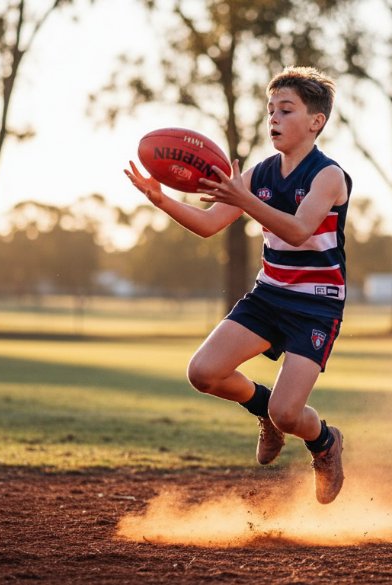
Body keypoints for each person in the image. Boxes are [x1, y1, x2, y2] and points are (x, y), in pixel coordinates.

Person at [124, 66, 352, 504]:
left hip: (316, 305)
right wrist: (161, 198)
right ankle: (260, 409)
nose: (274, 118)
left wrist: (243, 198)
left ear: (315, 122)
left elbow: (300, 231)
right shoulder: (257, 175)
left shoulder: (328, 176)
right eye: (270, 110)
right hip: (269, 294)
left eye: (286, 110)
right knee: (203, 373)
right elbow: (210, 224)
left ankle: (324, 442)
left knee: (289, 413)